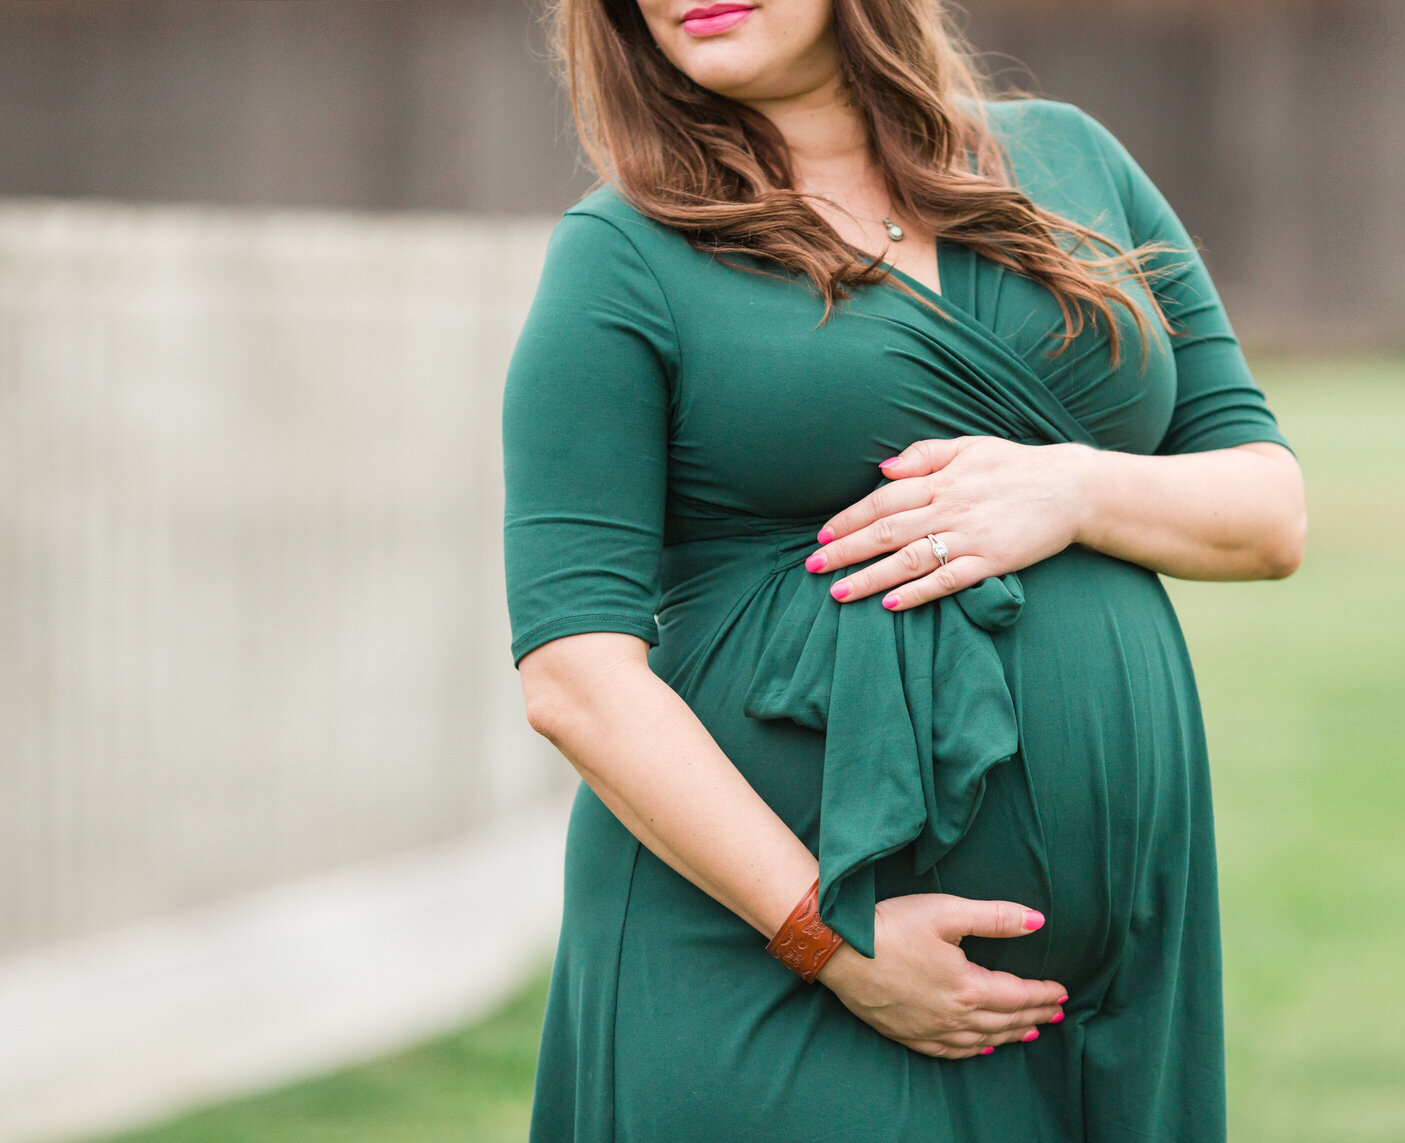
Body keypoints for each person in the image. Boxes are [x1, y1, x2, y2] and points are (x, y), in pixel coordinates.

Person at [502, 0, 1305, 1139]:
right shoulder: (625, 251)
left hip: (1108, 970)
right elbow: (574, 671)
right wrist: (825, 939)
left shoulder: (1069, 162)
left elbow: (1267, 514)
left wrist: (1071, 488)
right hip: (772, 959)